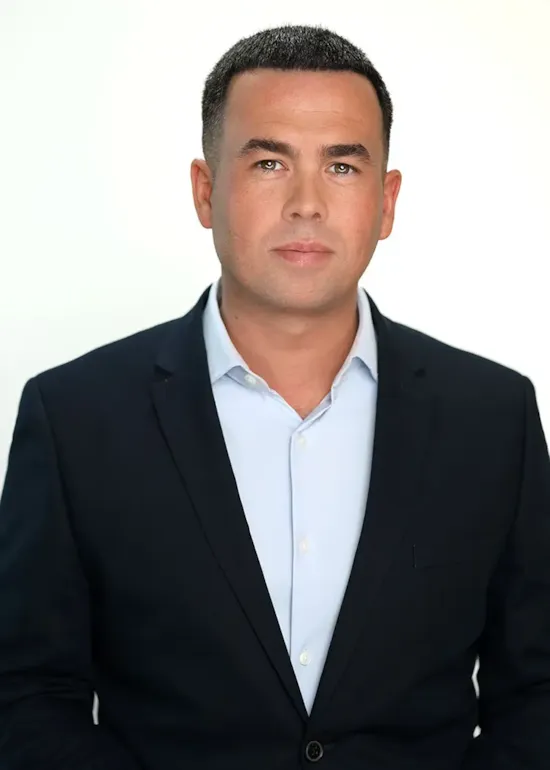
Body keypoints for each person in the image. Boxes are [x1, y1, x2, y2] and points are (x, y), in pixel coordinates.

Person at [0, 23, 549, 770]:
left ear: (387, 201)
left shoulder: (495, 417)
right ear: (205, 190)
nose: (307, 204)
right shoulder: (74, 418)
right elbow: (28, 694)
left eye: (343, 168)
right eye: (268, 162)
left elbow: (536, 694)